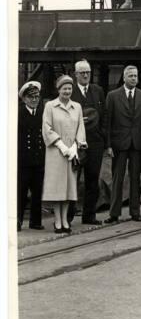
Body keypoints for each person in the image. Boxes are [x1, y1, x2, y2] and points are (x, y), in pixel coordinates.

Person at [41, 75, 87, 235]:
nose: (67, 91)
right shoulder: (50, 106)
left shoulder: (77, 107)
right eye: (64, 88)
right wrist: (60, 144)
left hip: (71, 154)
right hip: (56, 152)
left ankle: (65, 220)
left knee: (68, 187)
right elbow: (47, 128)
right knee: (57, 187)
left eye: (69, 88)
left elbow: (81, 127)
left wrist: (75, 145)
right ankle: (58, 220)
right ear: (58, 89)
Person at [105, 65, 141, 223]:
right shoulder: (112, 96)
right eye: (130, 76)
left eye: (135, 76)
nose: (133, 78)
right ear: (124, 78)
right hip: (119, 143)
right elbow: (108, 122)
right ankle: (114, 213)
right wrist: (108, 145)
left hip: (137, 144)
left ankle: (135, 211)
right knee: (117, 178)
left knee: (135, 178)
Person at [68, 60, 106, 226]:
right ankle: (67, 217)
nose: (85, 75)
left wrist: (104, 139)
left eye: (88, 72)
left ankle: (89, 215)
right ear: (76, 74)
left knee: (93, 180)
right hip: (75, 144)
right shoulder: (70, 91)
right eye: (82, 72)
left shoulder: (98, 91)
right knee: (73, 180)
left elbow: (104, 116)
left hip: (95, 143)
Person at [18, 81, 46, 231]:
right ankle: (17, 220)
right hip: (23, 160)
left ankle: (35, 221)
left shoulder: (43, 113)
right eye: (31, 97)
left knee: (37, 191)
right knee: (21, 192)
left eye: (36, 97)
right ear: (24, 99)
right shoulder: (18, 113)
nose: (34, 100)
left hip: (39, 159)